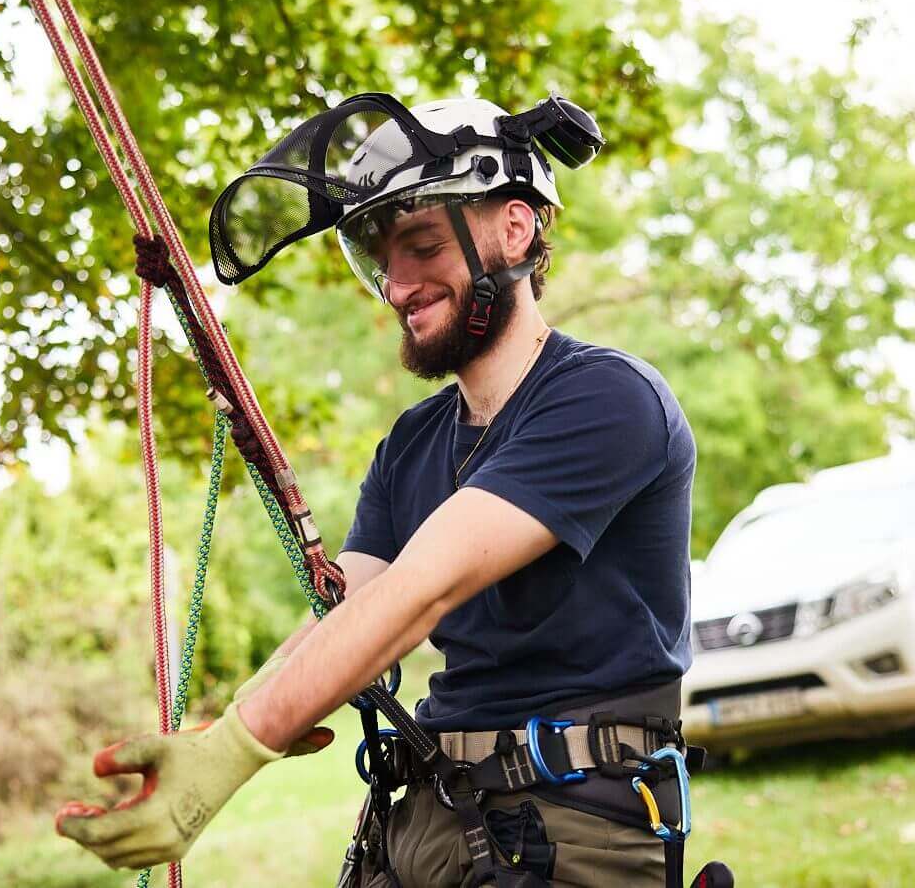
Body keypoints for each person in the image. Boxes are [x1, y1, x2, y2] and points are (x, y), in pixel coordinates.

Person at [55, 96, 698, 887]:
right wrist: (221, 730)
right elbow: (352, 609)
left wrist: (232, 757)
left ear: (515, 228)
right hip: (426, 818)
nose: (396, 286)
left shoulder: (607, 399)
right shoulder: (411, 444)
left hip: (567, 828)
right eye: (378, 261)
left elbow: (418, 595)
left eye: (421, 246)